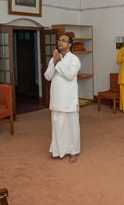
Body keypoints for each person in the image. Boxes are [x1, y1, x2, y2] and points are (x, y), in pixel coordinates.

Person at [44, 34, 81, 163]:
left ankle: (73, 151)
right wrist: (54, 62)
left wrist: (58, 63)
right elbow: (48, 77)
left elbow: (70, 75)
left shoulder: (74, 59)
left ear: (69, 45)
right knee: (57, 125)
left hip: (69, 99)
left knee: (71, 127)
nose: (60, 42)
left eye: (64, 41)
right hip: (56, 98)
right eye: (59, 40)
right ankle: (58, 150)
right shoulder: (54, 58)